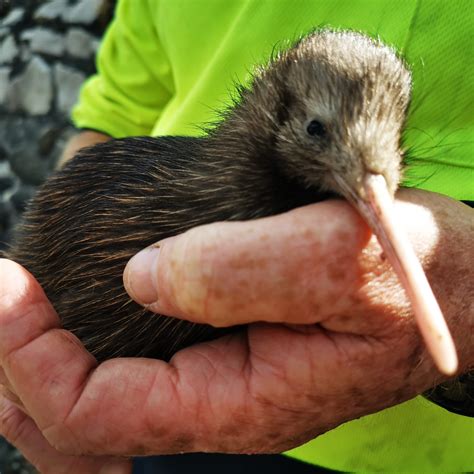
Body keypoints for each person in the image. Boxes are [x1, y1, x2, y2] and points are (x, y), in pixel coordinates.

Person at [1, 1, 473, 473]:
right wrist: (34, 359)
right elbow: (119, 104)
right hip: (146, 402)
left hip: (410, 452)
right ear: (274, 114)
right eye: (315, 130)